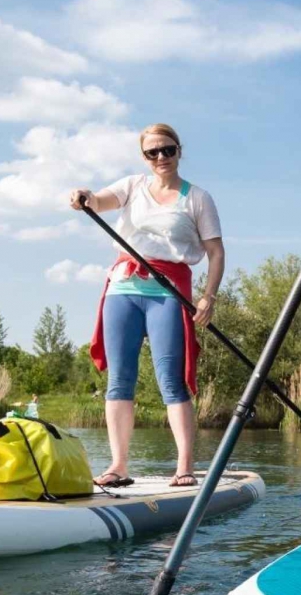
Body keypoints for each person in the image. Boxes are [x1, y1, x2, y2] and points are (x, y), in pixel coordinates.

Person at [69, 123, 224, 488]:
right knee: (119, 380)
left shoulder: (197, 198)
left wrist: (209, 296)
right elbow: (98, 201)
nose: (161, 157)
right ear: (144, 157)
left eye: (167, 150)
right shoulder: (132, 186)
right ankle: (119, 466)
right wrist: (84, 196)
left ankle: (184, 467)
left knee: (170, 379)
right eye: (152, 152)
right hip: (122, 290)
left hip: (167, 293)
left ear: (179, 151)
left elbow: (216, 252)